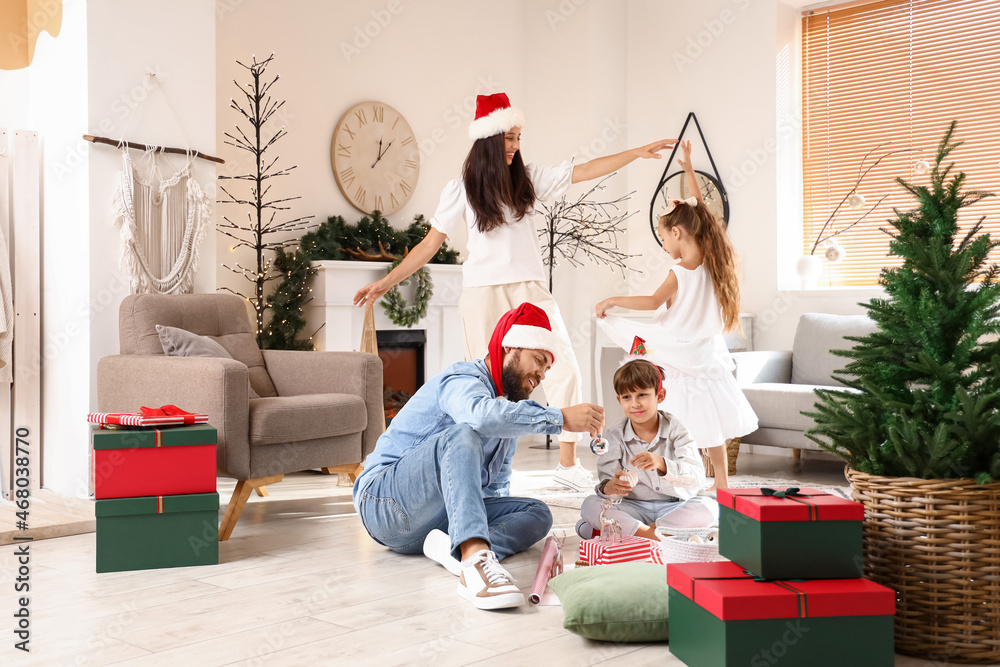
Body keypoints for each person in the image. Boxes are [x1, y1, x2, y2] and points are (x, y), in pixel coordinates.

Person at [354, 92, 674, 492]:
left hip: (529, 288)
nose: (515, 147)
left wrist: (636, 152)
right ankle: (481, 472)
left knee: (566, 367)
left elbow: (585, 169)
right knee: (487, 384)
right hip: (482, 292)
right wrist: (385, 281)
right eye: (508, 139)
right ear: (488, 140)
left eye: (518, 138)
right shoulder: (461, 190)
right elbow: (430, 244)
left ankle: (567, 463)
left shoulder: (528, 180)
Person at [353, 303, 605, 610]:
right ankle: (473, 562)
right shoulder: (462, 379)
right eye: (538, 360)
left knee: (537, 513)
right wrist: (559, 417)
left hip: (435, 522)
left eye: (547, 369)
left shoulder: (507, 412)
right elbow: (481, 418)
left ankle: (454, 548)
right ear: (509, 346)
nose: (540, 374)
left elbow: (496, 488)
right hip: (385, 504)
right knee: (462, 433)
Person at [594, 140, 757, 491]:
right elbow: (705, 213)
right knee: (708, 418)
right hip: (706, 350)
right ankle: (722, 481)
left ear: (678, 232)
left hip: (678, 348)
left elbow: (653, 303)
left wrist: (613, 300)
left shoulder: (680, 271)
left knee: (626, 336)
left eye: (664, 237)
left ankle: (676, 473)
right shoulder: (716, 260)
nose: (664, 244)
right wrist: (686, 169)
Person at [577, 358, 707, 541]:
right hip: (633, 508)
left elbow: (696, 478)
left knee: (708, 507)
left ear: (659, 396)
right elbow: (607, 484)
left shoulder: (677, 429)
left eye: (642, 395)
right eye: (627, 397)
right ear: (619, 400)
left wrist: (662, 464)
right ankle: (656, 537)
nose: (635, 404)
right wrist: (611, 486)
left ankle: (636, 536)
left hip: (671, 508)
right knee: (590, 505)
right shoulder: (615, 434)